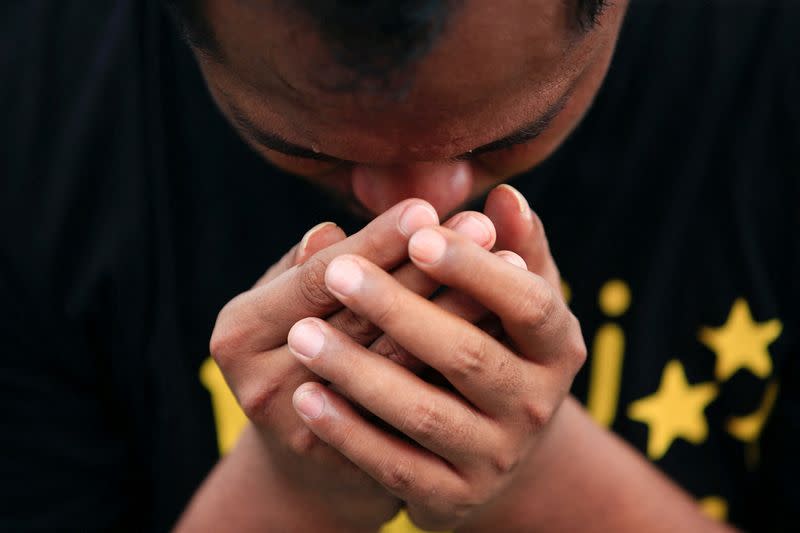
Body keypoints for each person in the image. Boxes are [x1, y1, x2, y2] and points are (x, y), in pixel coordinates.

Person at [1, 0, 797, 531]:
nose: (415, 214)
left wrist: (538, 470)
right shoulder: (35, 113)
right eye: (302, 145)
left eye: (509, 135)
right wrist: (290, 493)